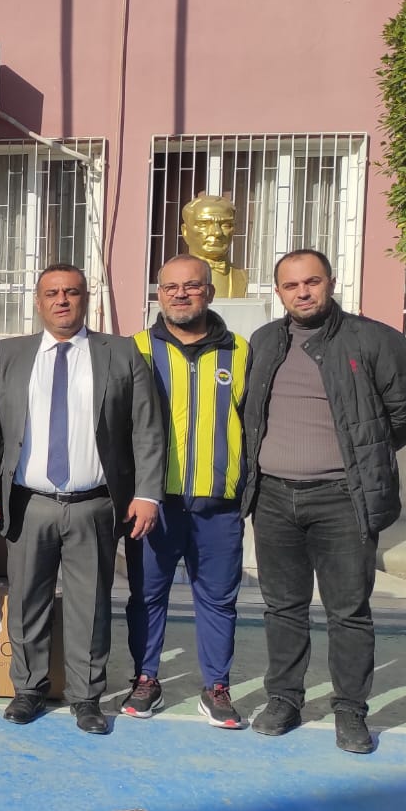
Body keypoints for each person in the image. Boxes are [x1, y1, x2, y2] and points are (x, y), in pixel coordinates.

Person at [241, 248, 406, 754]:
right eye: (291, 285)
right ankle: (284, 699)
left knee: (348, 611)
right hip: (273, 497)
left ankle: (350, 710)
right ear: (278, 292)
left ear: (330, 282)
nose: (302, 293)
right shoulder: (264, 341)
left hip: (343, 499)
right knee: (283, 607)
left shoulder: (374, 339)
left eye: (312, 282)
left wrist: (364, 455)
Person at [0, 263, 164, 734]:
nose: (62, 300)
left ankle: (86, 697)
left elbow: (147, 428)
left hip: (93, 504)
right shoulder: (10, 354)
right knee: (27, 602)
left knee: (90, 606)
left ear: (85, 299)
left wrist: (147, 494)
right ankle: (29, 689)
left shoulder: (121, 353)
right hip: (29, 502)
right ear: (38, 302)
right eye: (52, 293)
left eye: (71, 292)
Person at [120, 254, 250, 728]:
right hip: (155, 504)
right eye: (171, 287)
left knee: (217, 599)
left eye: (192, 286)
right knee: (146, 596)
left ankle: (216, 686)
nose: (180, 294)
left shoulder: (240, 351)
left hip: (218, 504)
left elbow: (254, 422)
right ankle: (145, 678)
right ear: (159, 294)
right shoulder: (134, 349)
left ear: (209, 293)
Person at [181, 194, 248, 298]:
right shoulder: (174, 275)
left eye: (226, 225)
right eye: (203, 224)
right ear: (185, 231)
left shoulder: (242, 277)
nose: (217, 232)